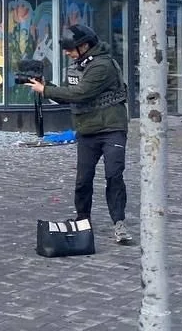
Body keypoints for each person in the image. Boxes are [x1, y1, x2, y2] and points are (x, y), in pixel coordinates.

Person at [28, 24, 133, 246]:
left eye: (70, 48)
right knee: (83, 180)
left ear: (84, 46)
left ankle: (119, 223)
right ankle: (82, 219)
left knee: (114, 175)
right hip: (87, 131)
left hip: (111, 129)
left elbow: (81, 93)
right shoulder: (78, 66)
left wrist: (46, 91)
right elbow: (69, 96)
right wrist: (47, 87)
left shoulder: (102, 66)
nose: (67, 53)